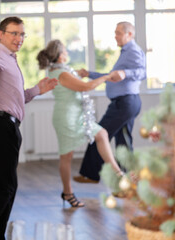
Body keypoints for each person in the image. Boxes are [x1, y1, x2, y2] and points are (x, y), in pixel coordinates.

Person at [0, 17, 58, 240]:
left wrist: (37, 90)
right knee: (3, 188)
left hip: (7, 125)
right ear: (1, 34)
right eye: (14, 33)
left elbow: (15, 99)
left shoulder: (10, 59)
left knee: (9, 187)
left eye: (22, 34)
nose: (19, 38)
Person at [36, 39, 124, 207]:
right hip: (67, 118)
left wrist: (84, 72)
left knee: (101, 133)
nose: (68, 53)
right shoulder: (62, 74)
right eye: (65, 51)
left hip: (78, 116)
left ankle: (117, 173)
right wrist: (107, 77)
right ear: (60, 56)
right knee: (66, 156)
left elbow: (76, 77)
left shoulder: (62, 70)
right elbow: (86, 87)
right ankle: (67, 193)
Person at [73, 21, 146, 183]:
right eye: (115, 32)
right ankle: (130, 179)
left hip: (125, 103)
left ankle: (91, 175)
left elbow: (142, 72)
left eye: (119, 33)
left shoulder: (133, 50)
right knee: (123, 142)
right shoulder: (125, 52)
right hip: (126, 103)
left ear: (129, 34)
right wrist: (89, 73)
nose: (115, 36)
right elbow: (111, 76)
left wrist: (125, 73)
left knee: (99, 134)